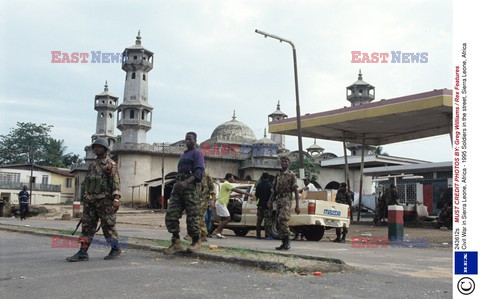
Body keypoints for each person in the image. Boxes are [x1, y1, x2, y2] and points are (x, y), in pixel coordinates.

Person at [66, 138, 122, 262]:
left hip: (105, 201)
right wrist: (86, 195)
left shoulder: (110, 164)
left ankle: (115, 249)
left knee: (108, 226)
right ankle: (82, 252)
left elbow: (116, 182)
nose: (97, 149)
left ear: (105, 149)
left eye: (99, 147)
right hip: (91, 201)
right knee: (87, 227)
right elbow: (88, 182)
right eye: (95, 147)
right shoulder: (92, 165)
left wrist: (116, 199)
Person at [164, 132, 204, 255]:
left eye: (190, 139)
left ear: (195, 140)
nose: (187, 141)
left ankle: (196, 241)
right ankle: (176, 243)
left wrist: (186, 182)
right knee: (171, 215)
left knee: (192, 217)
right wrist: (179, 183)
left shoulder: (197, 153)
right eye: (186, 139)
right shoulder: (184, 154)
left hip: (190, 187)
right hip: (178, 186)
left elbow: (199, 173)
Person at [268, 156, 300, 250]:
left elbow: (296, 190)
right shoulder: (278, 175)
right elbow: (274, 190)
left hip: (286, 199)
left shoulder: (292, 175)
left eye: (286, 162)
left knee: (283, 219)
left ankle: (287, 240)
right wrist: (270, 201)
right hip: (278, 199)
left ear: (288, 163)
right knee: (278, 222)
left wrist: (297, 205)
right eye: (282, 162)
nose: (284, 163)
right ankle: (283, 242)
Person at [213, 173, 253, 238]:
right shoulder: (227, 184)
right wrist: (247, 193)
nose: (233, 179)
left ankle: (219, 233)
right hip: (221, 203)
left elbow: (227, 195)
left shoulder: (224, 184)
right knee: (228, 218)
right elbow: (236, 190)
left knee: (223, 219)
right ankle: (217, 230)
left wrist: (236, 195)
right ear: (229, 178)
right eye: (232, 178)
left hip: (220, 203)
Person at [200, 162, 216, 241]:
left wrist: (212, 201)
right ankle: (202, 234)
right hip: (195, 200)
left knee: (200, 216)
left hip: (204, 200)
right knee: (197, 217)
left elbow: (213, 191)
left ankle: (203, 234)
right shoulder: (194, 176)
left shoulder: (207, 177)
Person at [255, 172, 273, 239]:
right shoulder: (270, 185)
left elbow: (256, 195)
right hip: (267, 206)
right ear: (268, 177)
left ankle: (258, 235)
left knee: (259, 221)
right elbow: (271, 195)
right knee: (267, 221)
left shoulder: (258, 185)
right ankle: (267, 235)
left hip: (260, 205)